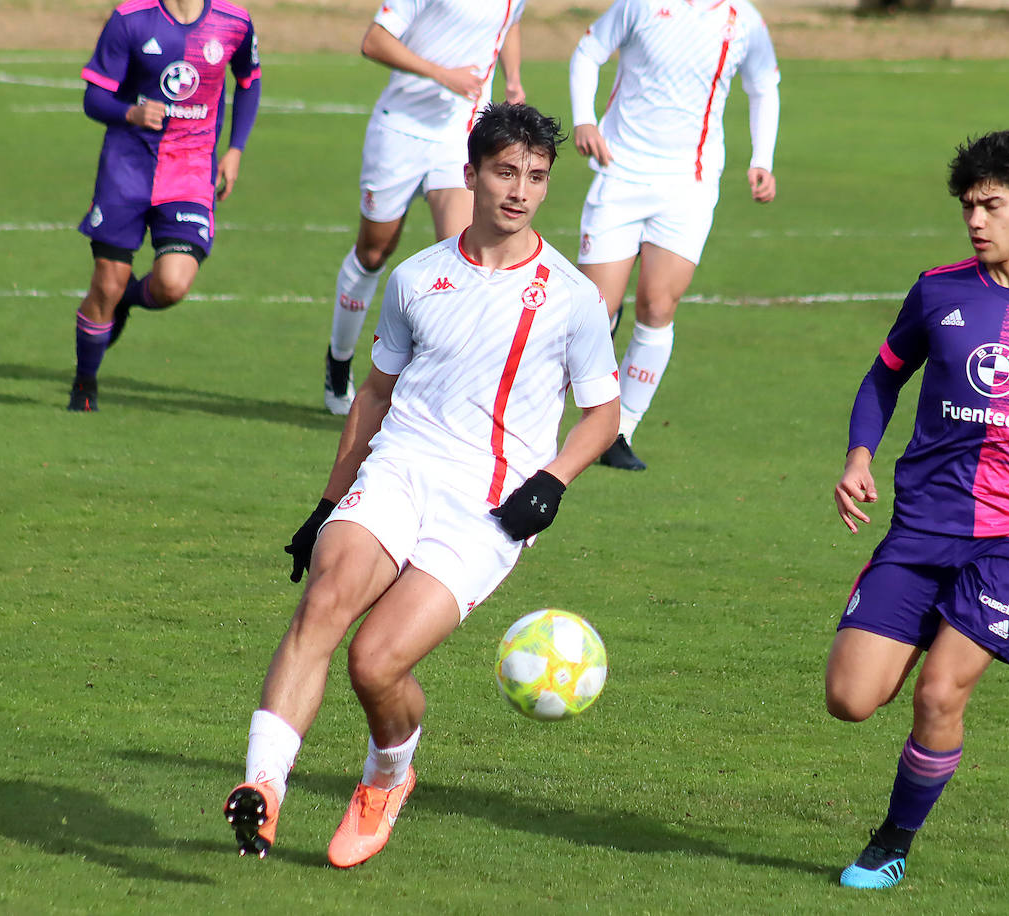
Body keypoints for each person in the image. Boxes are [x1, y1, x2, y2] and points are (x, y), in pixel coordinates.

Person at [224, 103, 620, 868]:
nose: (520, 192)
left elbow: (604, 414)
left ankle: (387, 778)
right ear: (470, 173)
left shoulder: (571, 298)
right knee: (325, 599)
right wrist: (328, 503)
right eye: (506, 172)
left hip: (489, 508)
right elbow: (374, 395)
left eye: (536, 177)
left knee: (375, 662)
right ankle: (263, 791)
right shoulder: (416, 279)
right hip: (400, 469)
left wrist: (555, 479)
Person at [826, 131, 1009, 890]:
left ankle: (893, 839)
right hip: (922, 526)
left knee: (938, 693)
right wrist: (860, 455)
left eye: (991, 205)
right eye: (968, 207)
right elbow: (881, 379)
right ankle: (927, 619)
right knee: (851, 700)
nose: (976, 221)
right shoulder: (938, 290)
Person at [568, 0, 780, 470]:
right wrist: (584, 118)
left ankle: (619, 431)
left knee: (658, 306)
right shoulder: (640, 4)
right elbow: (587, 51)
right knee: (593, 311)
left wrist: (761, 158)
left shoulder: (743, 19)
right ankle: (553, 418)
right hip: (619, 172)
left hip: (690, 184)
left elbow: (764, 85)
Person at [323, 0, 527, 415]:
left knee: (464, 255)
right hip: (399, 130)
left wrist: (514, 80)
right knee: (373, 252)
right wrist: (442, 74)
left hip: (459, 134)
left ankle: (432, 387)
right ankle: (339, 360)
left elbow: (511, 21)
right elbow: (374, 41)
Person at [68, 0, 261, 412]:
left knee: (172, 284)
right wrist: (131, 112)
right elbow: (94, 98)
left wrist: (236, 150)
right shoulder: (131, 19)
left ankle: (125, 302)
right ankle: (84, 384)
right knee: (106, 283)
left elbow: (248, 80)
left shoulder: (234, 21)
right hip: (128, 168)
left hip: (190, 172)